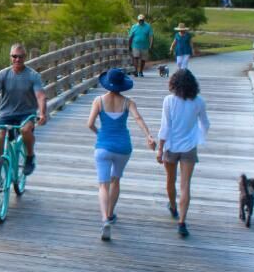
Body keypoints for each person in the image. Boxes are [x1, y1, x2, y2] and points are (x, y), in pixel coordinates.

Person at [86, 68, 156, 241]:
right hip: (123, 147)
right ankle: (111, 214)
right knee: (115, 181)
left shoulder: (98, 101)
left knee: (103, 185)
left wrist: (100, 134)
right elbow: (138, 118)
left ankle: (105, 219)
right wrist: (148, 135)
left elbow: (90, 124)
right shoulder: (128, 102)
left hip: (103, 147)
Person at [0, 42, 48, 176]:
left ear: (25, 57)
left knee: (25, 130)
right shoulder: (3, 74)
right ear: (10, 57)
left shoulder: (33, 75)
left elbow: (40, 96)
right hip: (6, 114)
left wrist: (42, 114)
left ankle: (30, 157)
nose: (17, 59)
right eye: (14, 56)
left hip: (26, 114)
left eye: (20, 56)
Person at [156, 69, 210, 237]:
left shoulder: (169, 101)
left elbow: (165, 127)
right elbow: (205, 124)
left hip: (171, 146)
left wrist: (160, 149)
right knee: (185, 184)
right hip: (189, 147)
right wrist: (198, 137)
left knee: (170, 180)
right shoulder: (199, 102)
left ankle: (173, 207)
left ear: (174, 84)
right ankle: (182, 222)